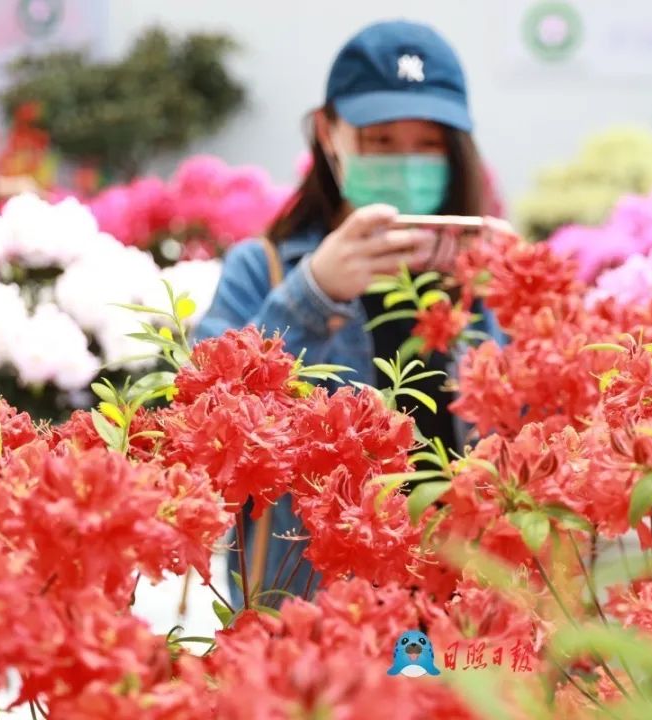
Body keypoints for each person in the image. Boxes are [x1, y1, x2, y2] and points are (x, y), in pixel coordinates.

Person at [194, 20, 513, 608]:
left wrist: (507, 296)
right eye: (381, 140)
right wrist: (313, 292)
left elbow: (527, 432)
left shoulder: (483, 278)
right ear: (328, 132)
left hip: (461, 614)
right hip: (308, 620)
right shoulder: (261, 269)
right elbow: (205, 424)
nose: (406, 161)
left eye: (428, 143)